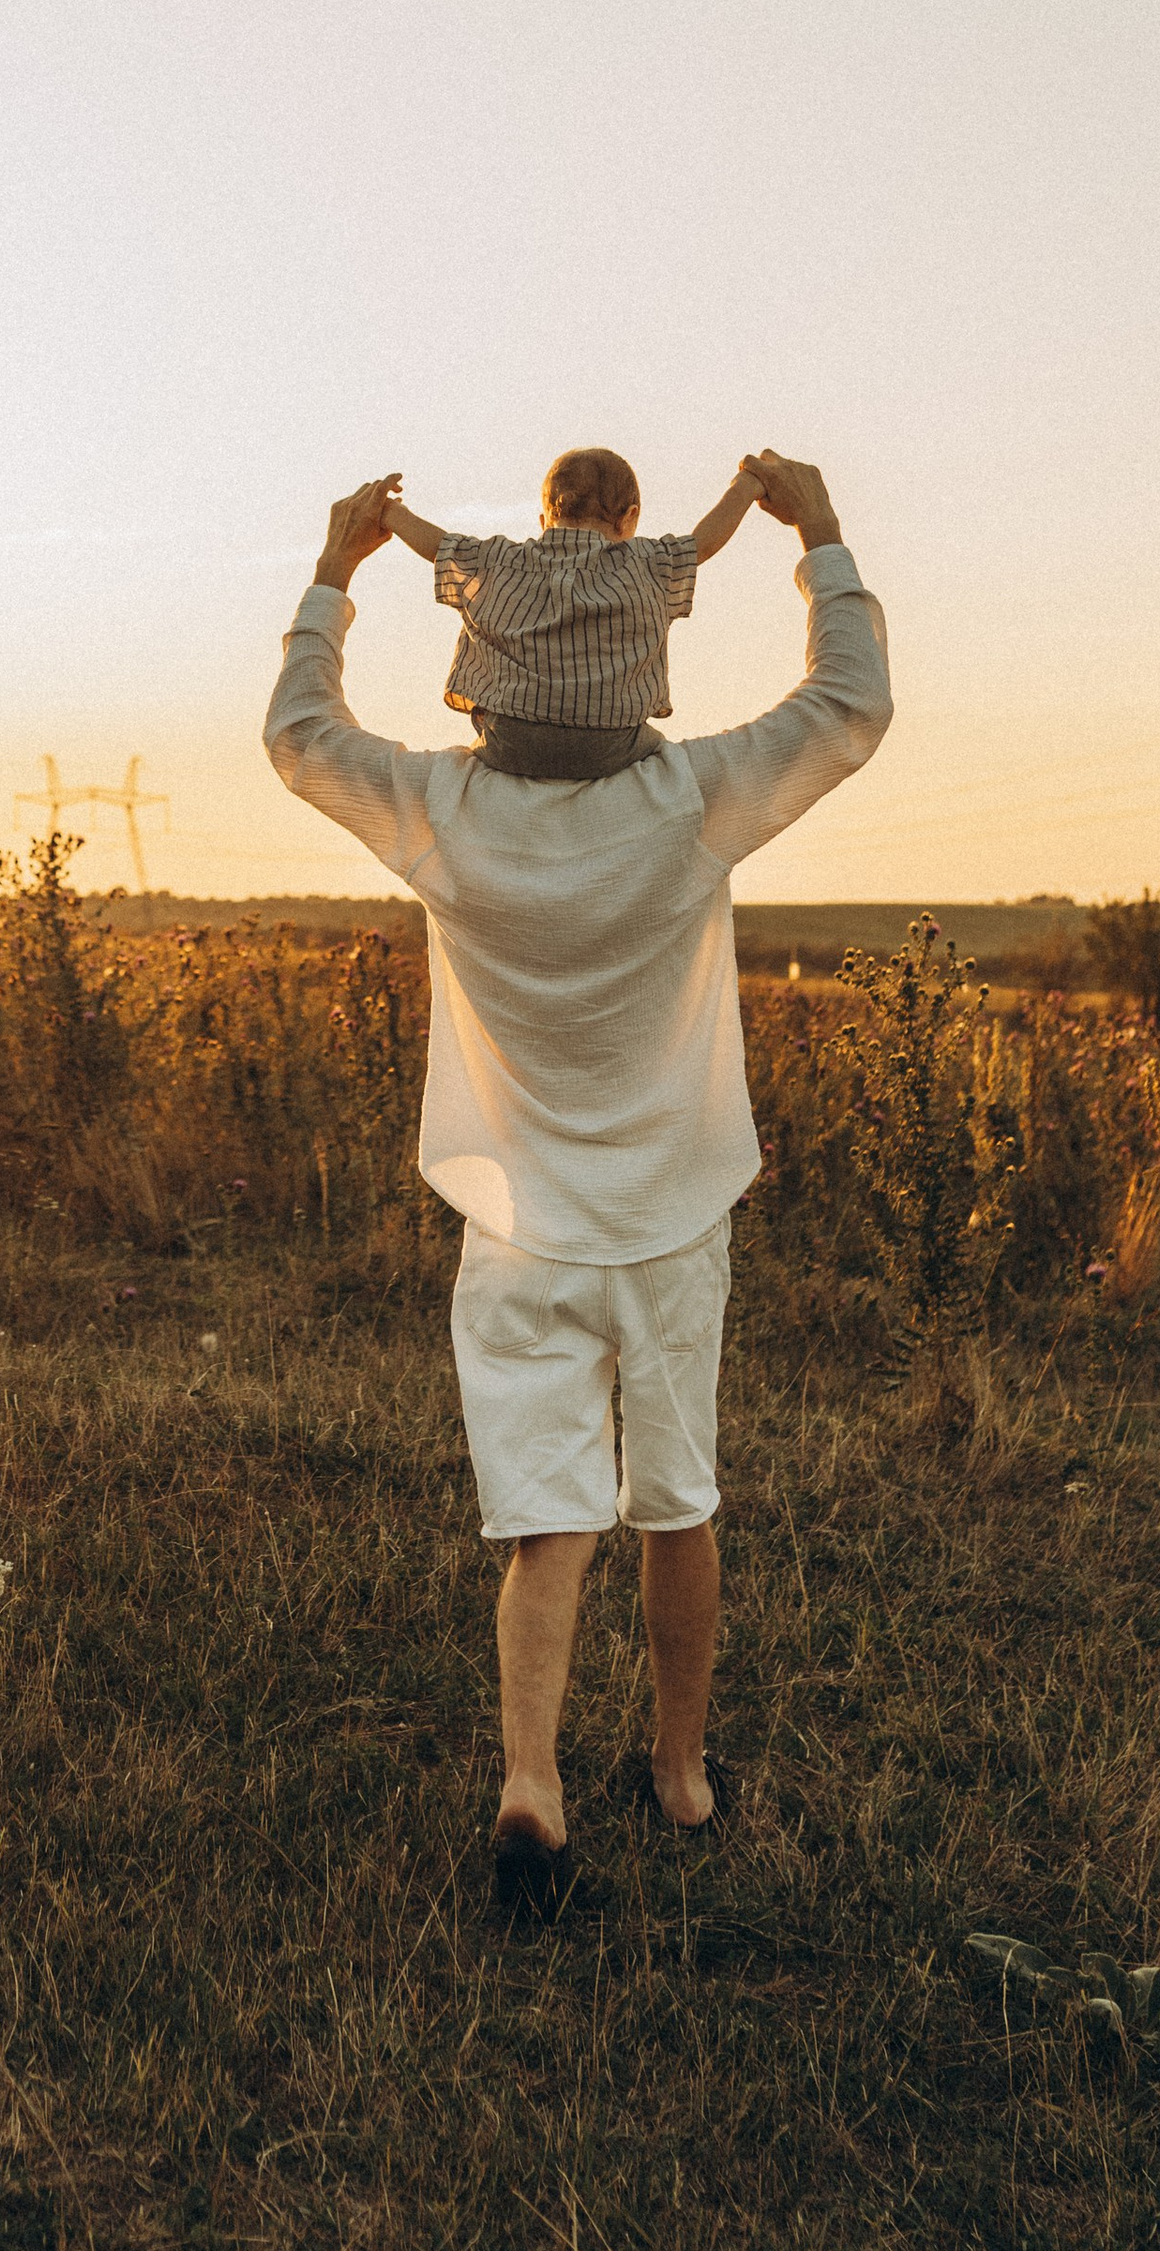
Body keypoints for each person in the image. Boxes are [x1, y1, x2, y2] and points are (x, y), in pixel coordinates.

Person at [262, 450, 891, 1916]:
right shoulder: (692, 798)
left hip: (518, 1227)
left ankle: (531, 1778)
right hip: (670, 1223)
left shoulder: (445, 813)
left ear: (491, 665)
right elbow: (849, 708)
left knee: (548, 1517)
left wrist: (335, 572)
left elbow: (301, 737)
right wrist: (823, 539)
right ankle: (677, 1769)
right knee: (677, 1500)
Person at [382, 446, 767, 783]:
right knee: (655, 743)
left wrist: (390, 513)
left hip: (512, 744)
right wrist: (746, 488)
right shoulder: (649, 563)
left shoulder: (501, 560)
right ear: (628, 517)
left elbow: (439, 545)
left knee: (483, 640)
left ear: (544, 520)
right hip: (613, 747)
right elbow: (703, 542)